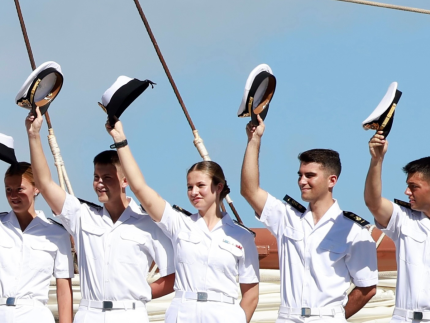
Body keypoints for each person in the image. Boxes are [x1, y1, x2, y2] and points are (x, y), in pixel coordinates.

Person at [26, 107, 175, 323]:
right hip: (89, 314)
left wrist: (140, 293)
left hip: (130, 315)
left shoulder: (149, 224)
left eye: (107, 177)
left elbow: (173, 275)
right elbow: (45, 184)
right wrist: (33, 135)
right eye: (96, 177)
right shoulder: (82, 216)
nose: (100, 183)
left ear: (126, 181)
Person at [105, 119, 260, 323]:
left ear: (219, 187)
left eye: (200, 185)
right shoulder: (179, 224)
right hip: (183, 312)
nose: (193, 192)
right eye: (189, 187)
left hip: (223, 314)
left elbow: (251, 294)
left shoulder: (241, 236)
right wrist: (120, 141)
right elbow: (140, 188)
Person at [241, 115, 378, 322]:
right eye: (300, 175)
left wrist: (335, 316)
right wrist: (254, 140)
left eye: (310, 175)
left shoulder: (354, 231)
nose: (301, 181)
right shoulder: (286, 218)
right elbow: (250, 191)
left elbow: (367, 287)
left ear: (332, 180)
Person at [365, 131, 430, 322]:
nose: (406, 191)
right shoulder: (404, 220)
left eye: (413, 186)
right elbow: (373, 203)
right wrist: (377, 160)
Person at [0, 161, 74, 323]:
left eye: (20, 189)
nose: (13, 195)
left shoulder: (57, 233)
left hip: (34, 315)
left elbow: (64, 288)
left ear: (37, 188)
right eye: (8, 190)